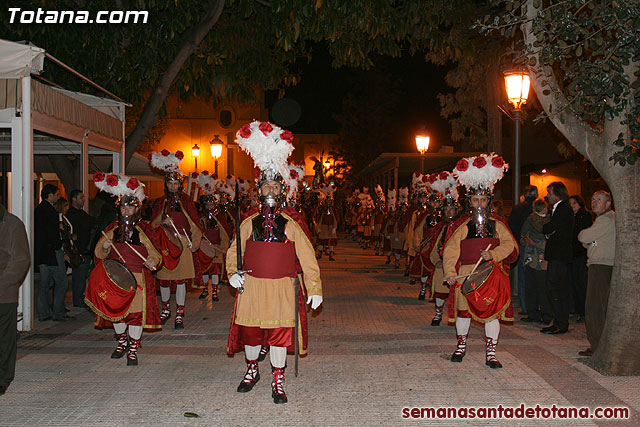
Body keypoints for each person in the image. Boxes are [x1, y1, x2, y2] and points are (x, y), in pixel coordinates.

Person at [228, 120, 323, 404]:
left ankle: (278, 380)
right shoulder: (247, 220)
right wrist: (232, 272)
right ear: (259, 189)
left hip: (282, 286)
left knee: (280, 335)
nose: (269, 189)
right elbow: (234, 250)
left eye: (274, 185)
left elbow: (307, 256)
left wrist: (314, 287)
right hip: (253, 286)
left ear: (282, 190)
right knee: (251, 334)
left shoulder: (292, 221)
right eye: (265, 185)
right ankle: (252, 370)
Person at [444, 153, 518, 369]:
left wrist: (493, 255)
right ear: (469, 201)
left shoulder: (497, 223)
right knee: (464, 313)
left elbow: (510, 245)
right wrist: (450, 272)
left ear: (489, 201)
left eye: (483, 199)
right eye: (475, 199)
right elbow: (450, 250)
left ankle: (491, 353)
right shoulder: (462, 224)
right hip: (466, 275)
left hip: (491, 275)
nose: (479, 203)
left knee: (491, 315)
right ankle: (460, 346)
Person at [88, 173, 162, 366]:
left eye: (130, 205)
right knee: (116, 312)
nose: (126, 209)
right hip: (115, 278)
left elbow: (156, 254)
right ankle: (122, 342)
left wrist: (152, 261)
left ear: (137, 207)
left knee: (136, 315)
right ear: (118, 208)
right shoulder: (112, 228)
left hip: (137, 277)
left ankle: (133, 349)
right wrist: (103, 249)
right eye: (123, 206)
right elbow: (99, 251)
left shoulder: (145, 229)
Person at [149, 150, 202, 329]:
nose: (173, 187)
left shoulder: (186, 201)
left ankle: (180, 312)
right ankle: (165, 309)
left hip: (183, 244)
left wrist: (195, 242)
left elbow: (195, 224)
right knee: (164, 279)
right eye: (170, 183)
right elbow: (152, 226)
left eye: (175, 183)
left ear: (180, 184)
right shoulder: (160, 202)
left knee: (181, 280)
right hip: (165, 243)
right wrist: (162, 221)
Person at [577, 191, 615, 357]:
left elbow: (583, 236)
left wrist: (590, 240)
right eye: (592, 199)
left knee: (594, 307)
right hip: (602, 264)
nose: (594, 203)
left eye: (599, 200)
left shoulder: (606, 219)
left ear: (608, 203)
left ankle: (597, 345)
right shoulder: (603, 220)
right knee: (598, 306)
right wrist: (592, 241)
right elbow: (588, 241)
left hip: (601, 266)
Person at [0, 200, 31, 395]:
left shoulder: (12, 224)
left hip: (3, 293)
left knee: (4, 338)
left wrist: (2, 283)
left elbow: (21, 259)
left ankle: (3, 378)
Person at [422, 171, 460, 321]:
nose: (449, 212)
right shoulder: (441, 226)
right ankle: (438, 313)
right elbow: (435, 245)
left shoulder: (462, 225)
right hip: (443, 262)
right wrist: (436, 260)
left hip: (458, 264)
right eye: (446, 210)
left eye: (452, 209)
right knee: (440, 287)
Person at [540, 182, 574, 335]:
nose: (548, 196)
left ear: (558, 194)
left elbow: (551, 228)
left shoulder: (563, 208)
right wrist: (549, 231)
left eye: (550, 193)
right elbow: (549, 229)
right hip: (557, 254)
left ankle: (561, 323)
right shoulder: (559, 208)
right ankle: (558, 321)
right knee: (554, 289)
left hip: (559, 255)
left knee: (555, 289)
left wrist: (548, 231)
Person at [194, 174, 232, 301]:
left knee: (215, 270)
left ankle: (214, 292)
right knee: (205, 271)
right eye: (208, 204)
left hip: (217, 248)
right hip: (204, 249)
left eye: (211, 204)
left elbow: (224, 234)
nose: (209, 206)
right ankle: (205, 290)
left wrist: (223, 247)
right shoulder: (201, 218)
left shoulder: (219, 218)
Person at [34, 184, 69, 321]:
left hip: (42, 253)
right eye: (57, 194)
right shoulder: (51, 212)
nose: (58, 197)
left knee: (44, 283)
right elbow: (53, 234)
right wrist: (59, 246)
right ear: (50, 195)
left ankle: (43, 313)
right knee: (61, 281)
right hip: (53, 252)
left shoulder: (38, 211)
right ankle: (58, 311)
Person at [520, 199, 553, 324]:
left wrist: (530, 242)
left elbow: (523, 235)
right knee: (536, 287)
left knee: (537, 287)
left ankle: (540, 314)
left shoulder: (531, 220)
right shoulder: (549, 220)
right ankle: (540, 314)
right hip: (539, 259)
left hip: (534, 258)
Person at [508, 185, 539, 316]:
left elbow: (512, 226)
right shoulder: (540, 206)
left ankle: (526, 306)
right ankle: (537, 306)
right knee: (537, 275)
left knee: (523, 276)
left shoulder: (518, 208)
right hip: (538, 244)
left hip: (522, 243)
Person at [66, 190, 96, 309]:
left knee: (82, 276)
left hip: (85, 249)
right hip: (79, 250)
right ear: (74, 199)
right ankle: (78, 299)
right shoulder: (72, 214)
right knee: (79, 276)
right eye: (81, 197)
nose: (83, 200)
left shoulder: (81, 214)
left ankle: (80, 297)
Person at [568, 195, 592, 322]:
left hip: (580, 253)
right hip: (572, 254)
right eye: (570, 203)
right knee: (573, 283)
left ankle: (582, 311)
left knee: (580, 283)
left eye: (574, 203)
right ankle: (577, 309)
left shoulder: (584, 216)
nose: (572, 205)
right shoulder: (571, 217)